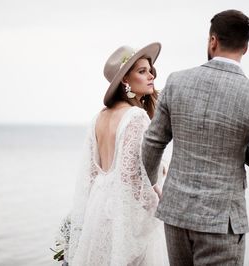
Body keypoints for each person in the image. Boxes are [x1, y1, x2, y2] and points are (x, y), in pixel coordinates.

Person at [141, 10, 249, 266]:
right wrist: (241, 149)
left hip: (176, 216)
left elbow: (152, 143)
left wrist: (155, 183)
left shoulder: (176, 82)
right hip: (222, 223)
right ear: (246, 47)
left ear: (213, 40)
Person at [55, 42, 167, 265]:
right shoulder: (135, 117)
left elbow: (90, 175)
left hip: (98, 212)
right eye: (142, 71)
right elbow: (132, 177)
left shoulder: (99, 118)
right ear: (125, 80)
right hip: (123, 215)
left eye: (150, 70)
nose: (151, 76)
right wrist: (158, 205)